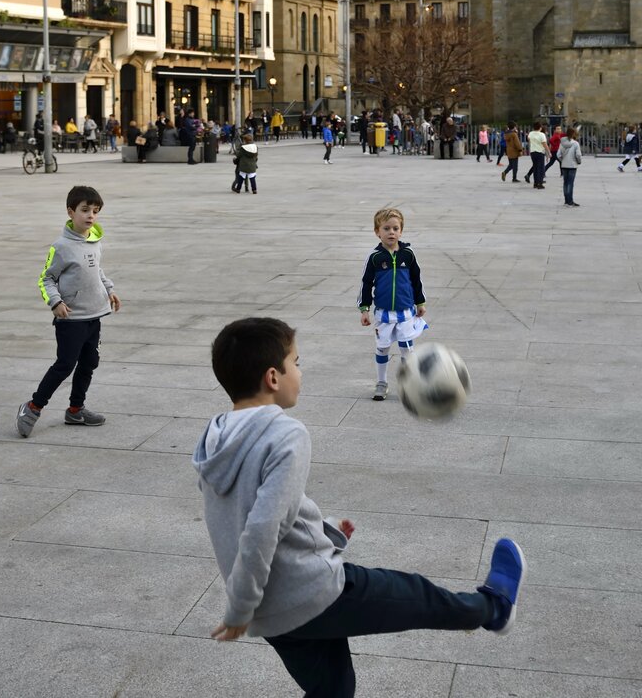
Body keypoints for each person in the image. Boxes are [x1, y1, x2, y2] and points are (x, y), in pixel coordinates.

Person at [193, 318, 526, 698]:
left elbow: (243, 513)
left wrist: (325, 529)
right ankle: (494, 609)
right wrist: (239, 607)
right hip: (312, 594)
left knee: (332, 689)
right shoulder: (285, 434)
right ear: (273, 377)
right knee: (419, 596)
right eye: (296, 363)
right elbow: (261, 528)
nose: (300, 372)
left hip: (273, 617)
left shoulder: (215, 437)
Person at [16, 185, 122, 436]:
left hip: (94, 315)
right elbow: (46, 279)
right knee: (65, 365)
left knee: (89, 362)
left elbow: (97, 271)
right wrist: (55, 302)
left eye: (95, 211)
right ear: (70, 211)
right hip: (71, 318)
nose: (91, 216)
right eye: (85, 210)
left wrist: (109, 289)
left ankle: (76, 410)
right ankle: (32, 407)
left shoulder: (94, 240)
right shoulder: (61, 246)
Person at [358, 207, 426, 401]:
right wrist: (365, 309)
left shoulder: (408, 254)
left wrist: (420, 302)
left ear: (401, 231)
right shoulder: (375, 258)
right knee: (383, 347)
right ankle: (381, 382)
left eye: (396, 228)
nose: (391, 232)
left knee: (407, 348)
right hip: (384, 314)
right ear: (377, 232)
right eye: (386, 228)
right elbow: (366, 283)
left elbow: (417, 279)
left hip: (406, 312)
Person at [557, 126, 583, 207]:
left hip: (564, 165)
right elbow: (578, 155)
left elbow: (558, 154)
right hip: (572, 165)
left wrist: (562, 160)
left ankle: (566, 201)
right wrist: (579, 161)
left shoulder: (562, 142)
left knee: (565, 183)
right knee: (570, 183)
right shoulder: (575, 144)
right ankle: (570, 201)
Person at [524, 122, 548, 188]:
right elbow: (544, 144)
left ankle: (535, 183)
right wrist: (548, 152)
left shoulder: (531, 133)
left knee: (535, 167)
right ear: (540, 128)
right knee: (540, 168)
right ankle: (540, 183)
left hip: (533, 152)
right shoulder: (542, 134)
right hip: (540, 152)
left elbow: (529, 140)